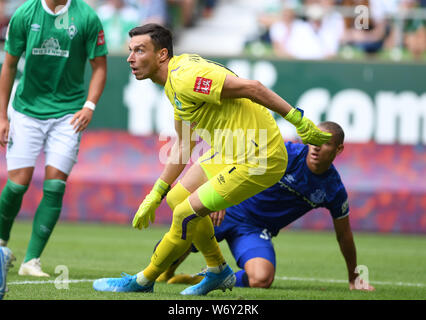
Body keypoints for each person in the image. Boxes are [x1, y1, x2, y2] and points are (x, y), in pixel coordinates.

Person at [93, 23, 331, 296]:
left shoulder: (185, 78)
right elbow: (184, 145)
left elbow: (253, 87)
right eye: (130, 50)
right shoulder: (174, 84)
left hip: (259, 155)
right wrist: (157, 192)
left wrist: (298, 120)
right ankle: (218, 270)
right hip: (231, 150)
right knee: (176, 199)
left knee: (184, 214)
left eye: (139, 50)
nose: (130, 58)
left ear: (161, 55)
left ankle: (143, 281)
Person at [157, 122, 375, 291]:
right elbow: (232, 159)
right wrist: (217, 198)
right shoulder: (284, 154)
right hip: (229, 209)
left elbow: (344, 235)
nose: (316, 147)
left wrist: (354, 277)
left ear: (339, 149)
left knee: (262, 279)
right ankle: (167, 271)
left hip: (254, 230)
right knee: (171, 246)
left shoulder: (333, 189)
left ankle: (203, 278)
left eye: (325, 142)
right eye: (313, 139)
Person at [0, 0, 107, 277]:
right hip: (26, 111)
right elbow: (9, 65)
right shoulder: (25, 14)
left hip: (68, 114)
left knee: (55, 185)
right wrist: (2, 116)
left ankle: (31, 261)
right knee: (16, 185)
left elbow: (99, 66)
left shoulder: (86, 17)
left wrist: (89, 106)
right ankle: (0, 244)